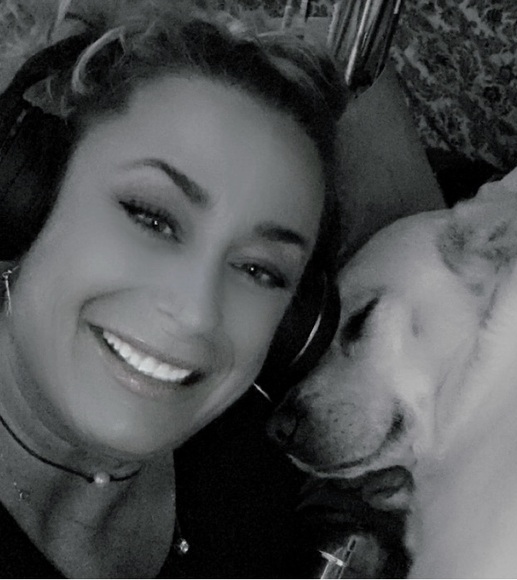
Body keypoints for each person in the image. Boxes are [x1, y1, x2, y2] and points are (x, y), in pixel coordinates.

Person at [0, 0, 349, 577]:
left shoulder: (248, 486)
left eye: (259, 271)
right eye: (152, 218)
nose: (196, 312)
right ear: (25, 201)